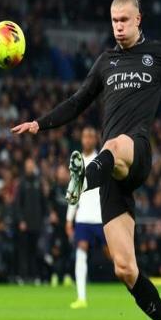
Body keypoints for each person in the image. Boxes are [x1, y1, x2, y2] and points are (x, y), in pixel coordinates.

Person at [12, 0, 161, 320]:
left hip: (136, 153)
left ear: (138, 19)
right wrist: (40, 123)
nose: (118, 26)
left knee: (111, 145)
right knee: (125, 269)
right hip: (112, 175)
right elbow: (77, 102)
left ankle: (82, 179)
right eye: (114, 20)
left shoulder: (158, 55)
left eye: (124, 20)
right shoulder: (105, 62)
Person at [65, 127, 107, 309]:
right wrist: (69, 219)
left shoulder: (102, 160)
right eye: (85, 136)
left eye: (91, 136)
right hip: (83, 217)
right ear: (81, 139)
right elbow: (73, 189)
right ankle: (81, 297)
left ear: (95, 140)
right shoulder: (77, 162)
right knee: (80, 252)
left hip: (101, 216)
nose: (88, 140)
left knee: (115, 256)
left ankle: (135, 286)